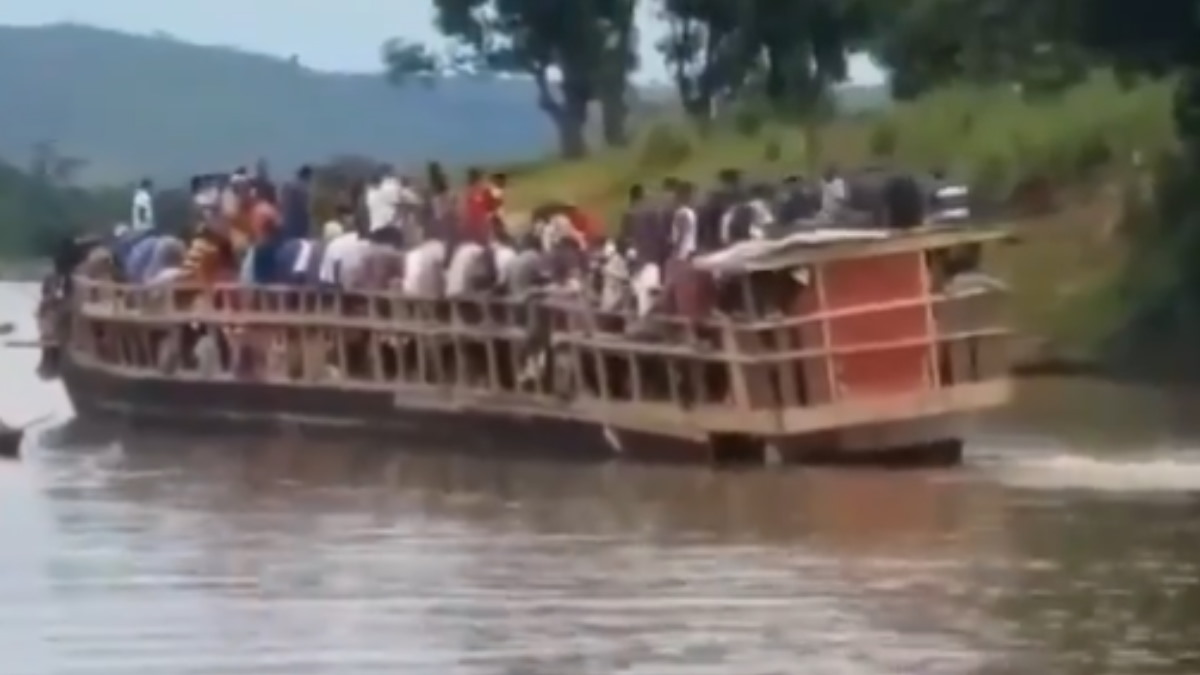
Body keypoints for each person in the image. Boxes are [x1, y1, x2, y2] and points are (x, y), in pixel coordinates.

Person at [280, 165, 313, 239]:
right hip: (298, 225)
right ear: (307, 175)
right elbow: (305, 208)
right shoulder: (303, 187)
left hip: (286, 223)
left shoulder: (288, 184)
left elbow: (282, 201)